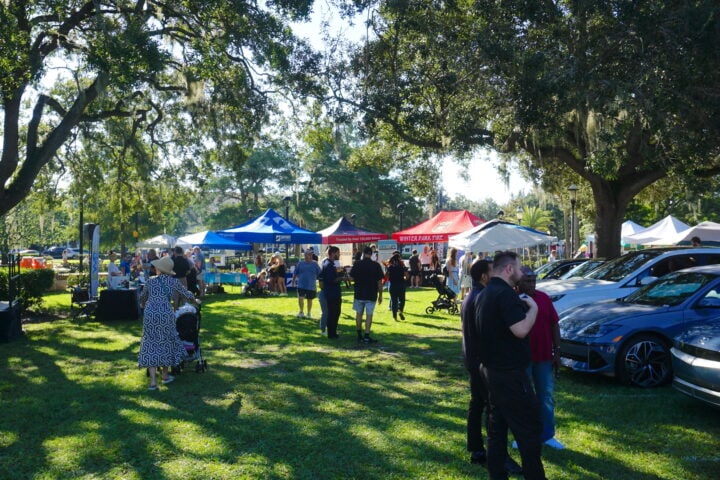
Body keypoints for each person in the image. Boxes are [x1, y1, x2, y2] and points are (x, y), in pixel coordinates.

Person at [475, 251, 546, 480]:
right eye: (519, 267)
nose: (522, 271)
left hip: (492, 371)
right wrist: (533, 310)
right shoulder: (504, 294)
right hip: (509, 375)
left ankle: (497, 475)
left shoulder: (484, 294)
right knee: (528, 430)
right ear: (508, 269)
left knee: (497, 430)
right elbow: (520, 330)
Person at [462, 259, 525, 473]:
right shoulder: (481, 297)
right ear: (484, 277)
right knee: (491, 409)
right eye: (492, 273)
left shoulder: (473, 295)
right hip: (482, 362)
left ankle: (477, 450)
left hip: (474, 359)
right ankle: (496, 455)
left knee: (478, 404)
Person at [517, 266, 564, 450]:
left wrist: (557, 351)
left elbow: (554, 325)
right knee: (523, 398)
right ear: (518, 281)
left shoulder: (543, 298)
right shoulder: (513, 300)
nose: (531, 283)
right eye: (527, 280)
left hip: (544, 356)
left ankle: (547, 435)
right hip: (522, 358)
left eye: (533, 279)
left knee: (545, 396)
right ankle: (524, 435)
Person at [138, 255, 199, 391]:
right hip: (166, 313)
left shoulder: (150, 281)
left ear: (159, 269)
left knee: (151, 343)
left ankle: (153, 382)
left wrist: (143, 304)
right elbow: (186, 293)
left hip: (151, 314)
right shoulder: (174, 282)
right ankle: (165, 376)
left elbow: (142, 298)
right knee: (167, 342)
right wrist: (195, 300)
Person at [350, 246, 385, 343]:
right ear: (371, 254)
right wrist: (380, 295)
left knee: (358, 314)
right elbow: (379, 282)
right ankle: (366, 335)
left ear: (363, 254)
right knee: (369, 315)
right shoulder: (376, 265)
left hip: (359, 293)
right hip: (371, 294)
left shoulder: (357, 264)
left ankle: (359, 335)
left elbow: (351, 278)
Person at [320, 246, 343, 339]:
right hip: (331, 292)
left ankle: (333, 332)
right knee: (333, 313)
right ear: (333, 253)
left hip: (333, 292)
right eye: (338, 253)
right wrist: (341, 278)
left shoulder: (332, 263)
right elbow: (331, 280)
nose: (339, 255)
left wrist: (341, 272)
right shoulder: (329, 265)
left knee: (336, 312)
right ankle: (331, 333)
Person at [292, 248, 321, 319]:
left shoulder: (315, 264)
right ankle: (301, 312)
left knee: (309, 300)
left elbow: (320, 274)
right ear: (305, 255)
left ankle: (308, 313)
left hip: (311, 286)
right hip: (301, 285)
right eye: (308, 254)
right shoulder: (300, 263)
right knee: (300, 298)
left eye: (311, 254)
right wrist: (293, 281)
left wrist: (321, 282)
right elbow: (295, 273)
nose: (310, 256)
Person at [386, 251, 408, 321]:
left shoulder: (390, 267)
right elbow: (406, 276)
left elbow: (386, 276)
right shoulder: (402, 266)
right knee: (402, 300)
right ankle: (400, 311)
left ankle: (394, 317)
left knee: (393, 301)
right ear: (399, 258)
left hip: (392, 285)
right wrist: (404, 278)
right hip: (401, 285)